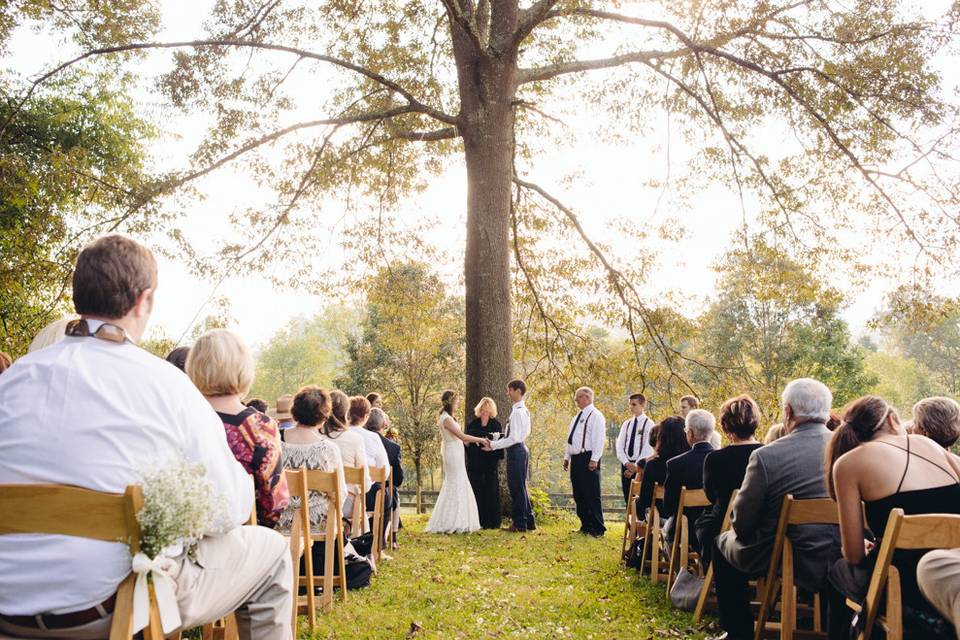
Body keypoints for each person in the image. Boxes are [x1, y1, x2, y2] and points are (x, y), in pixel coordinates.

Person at [0, 235, 292, 639]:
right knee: (272, 553)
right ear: (145, 300)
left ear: (78, 294)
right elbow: (229, 508)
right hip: (111, 608)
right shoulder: (166, 385)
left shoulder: (13, 381)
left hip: (7, 608)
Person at [710, 378, 839, 640]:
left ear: (788, 412)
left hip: (784, 555)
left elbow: (743, 524)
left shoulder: (767, 456)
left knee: (721, 543)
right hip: (842, 552)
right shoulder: (850, 449)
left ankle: (739, 632)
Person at [824, 396, 960, 639]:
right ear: (891, 418)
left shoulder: (847, 464)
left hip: (901, 580)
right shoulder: (930, 445)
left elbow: (854, 554)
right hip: (950, 571)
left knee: (837, 571)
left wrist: (871, 548)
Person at [186, 329, 289, 528]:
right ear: (243, 367)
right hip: (242, 536)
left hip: (185, 537)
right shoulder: (260, 427)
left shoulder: (181, 420)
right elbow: (275, 504)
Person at [276, 386, 347, 557]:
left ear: (294, 411)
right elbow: (340, 494)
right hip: (316, 522)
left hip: (279, 520)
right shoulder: (329, 450)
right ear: (324, 416)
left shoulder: (275, 440)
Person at [695, 395, 763, 567]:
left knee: (703, 524)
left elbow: (710, 495)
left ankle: (710, 573)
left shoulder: (714, 459)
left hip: (722, 525)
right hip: (762, 526)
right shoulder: (769, 454)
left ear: (725, 427)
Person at [425, 390, 485, 533]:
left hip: (455, 451)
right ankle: (452, 520)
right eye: (457, 401)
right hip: (452, 453)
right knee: (455, 482)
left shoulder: (448, 417)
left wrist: (470, 442)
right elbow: (462, 436)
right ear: (451, 401)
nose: (458, 403)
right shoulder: (446, 419)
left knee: (458, 481)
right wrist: (480, 439)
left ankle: (459, 518)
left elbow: (460, 438)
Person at [661, 409, 717, 550]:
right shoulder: (724, 460)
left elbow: (669, 507)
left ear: (690, 433)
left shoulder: (675, 464)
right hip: (717, 528)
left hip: (685, 530)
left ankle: (681, 570)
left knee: (667, 532)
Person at [485, 380, 536, 532]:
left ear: (518, 391)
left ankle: (520, 523)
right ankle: (529, 521)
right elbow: (514, 435)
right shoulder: (521, 410)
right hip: (519, 449)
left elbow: (513, 438)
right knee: (520, 487)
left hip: (516, 450)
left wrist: (493, 445)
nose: (508, 393)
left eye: (510, 390)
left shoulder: (519, 412)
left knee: (516, 488)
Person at [319, 390, 369, 537]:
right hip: (346, 504)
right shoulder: (355, 439)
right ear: (346, 413)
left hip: (317, 501)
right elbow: (365, 482)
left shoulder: (316, 435)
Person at [563, 387, 607, 537]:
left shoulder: (596, 415)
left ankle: (598, 527)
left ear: (587, 398)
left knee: (591, 493)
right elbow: (570, 438)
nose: (576, 400)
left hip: (588, 457)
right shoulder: (577, 416)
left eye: (578, 397)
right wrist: (566, 457)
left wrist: (595, 458)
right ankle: (585, 524)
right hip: (576, 458)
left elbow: (599, 439)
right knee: (579, 493)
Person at [348, 396, 392, 533]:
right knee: (385, 496)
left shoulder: (337, 435)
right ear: (366, 416)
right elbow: (384, 473)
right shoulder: (372, 438)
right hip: (365, 494)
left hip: (337, 493)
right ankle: (378, 544)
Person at [635, 416, 690, 521]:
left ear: (661, 437)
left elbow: (644, 503)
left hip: (660, 518)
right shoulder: (693, 462)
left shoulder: (652, 465)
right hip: (689, 517)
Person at [465, 396, 504, 529]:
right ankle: (478, 521)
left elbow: (498, 443)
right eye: (482, 410)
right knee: (476, 492)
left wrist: (485, 441)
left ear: (491, 411)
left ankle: (492, 522)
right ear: (479, 410)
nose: (484, 413)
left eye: (487, 410)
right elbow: (467, 442)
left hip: (490, 464)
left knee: (491, 492)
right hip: (475, 464)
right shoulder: (472, 424)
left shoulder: (496, 424)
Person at [367, 408, 402, 548]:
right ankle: (386, 541)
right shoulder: (393, 448)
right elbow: (398, 480)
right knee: (391, 495)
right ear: (384, 425)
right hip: (378, 495)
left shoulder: (357, 439)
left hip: (354, 493)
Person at [615, 392, 655, 505]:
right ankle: (629, 521)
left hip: (641, 466)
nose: (631, 407)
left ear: (642, 405)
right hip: (626, 464)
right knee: (627, 495)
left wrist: (636, 467)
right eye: (630, 404)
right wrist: (626, 463)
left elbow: (648, 448)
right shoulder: (626, 424)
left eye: (634, 404)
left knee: (639, 496)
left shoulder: (649, 424)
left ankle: (638, 520)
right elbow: (620, 445)